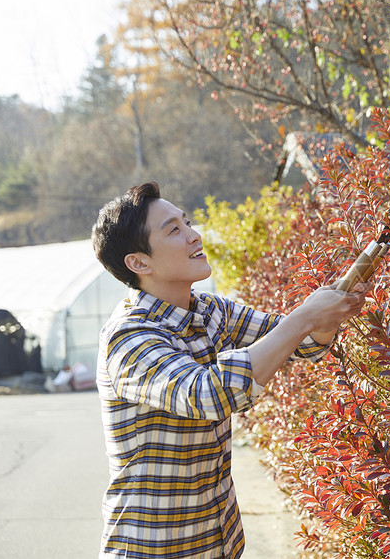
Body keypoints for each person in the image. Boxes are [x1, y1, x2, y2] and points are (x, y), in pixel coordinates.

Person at [91, 182, 369, 558]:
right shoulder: (128, 338)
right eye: (174, 230)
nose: (194, 235)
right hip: (152, 548)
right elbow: (209, 395)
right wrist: (305, 316)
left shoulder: (210, 310)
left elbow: (300, 343)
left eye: (187, 223)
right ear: (140, 263)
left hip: (219, 542)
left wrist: (333, 306)